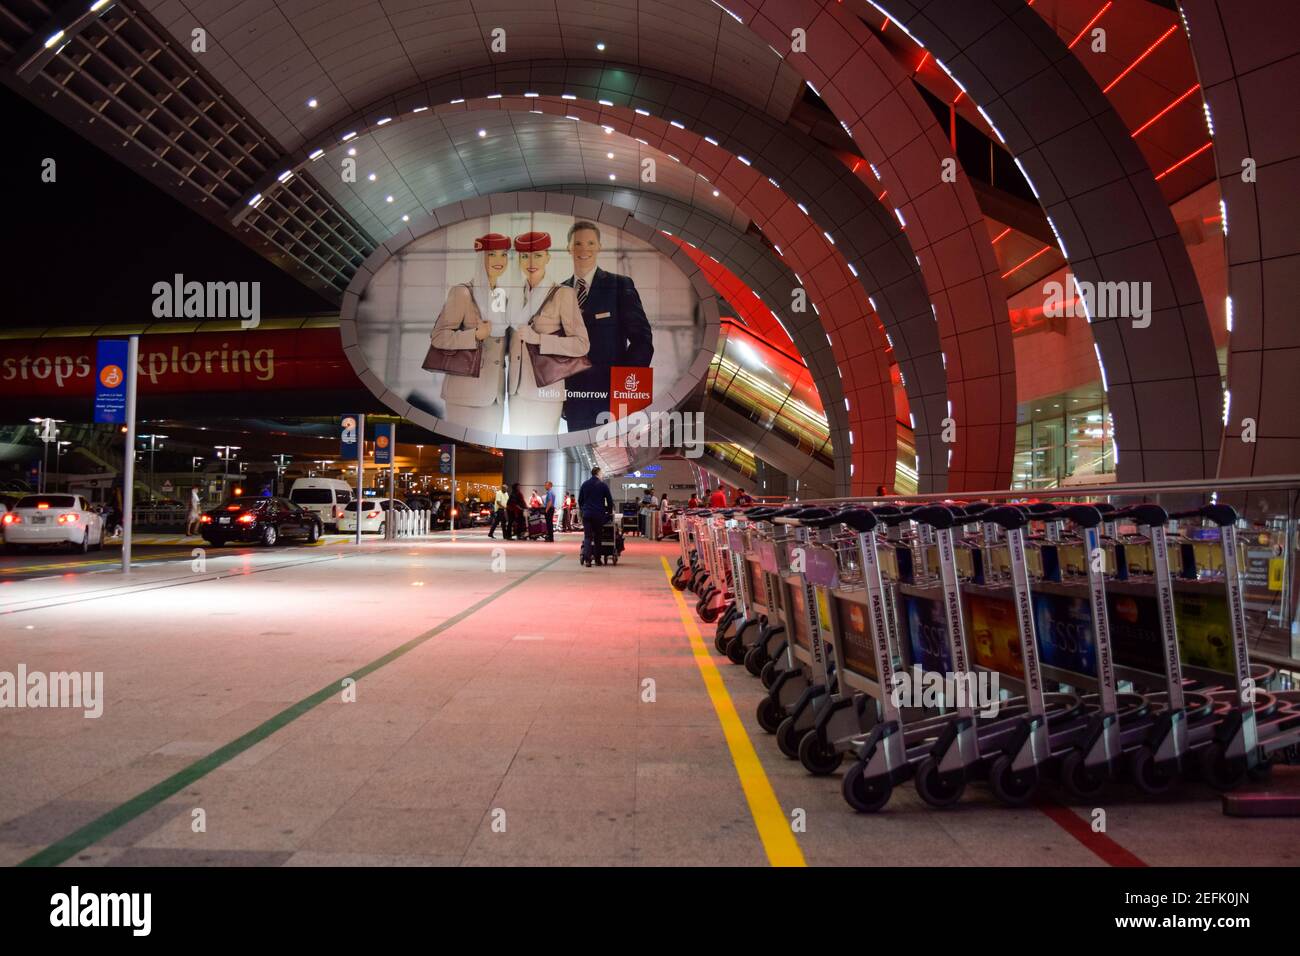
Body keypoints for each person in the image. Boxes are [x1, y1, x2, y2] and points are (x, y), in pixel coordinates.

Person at [560, 221, 654, 432]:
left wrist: (624, 389)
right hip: (574, 402)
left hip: (611, 401)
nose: (584, 249)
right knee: (585, 462)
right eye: (578, 243)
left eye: (590, 243)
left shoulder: (619, 285)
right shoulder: (559, 291)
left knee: (615, 459)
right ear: (569, 248)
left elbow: (642, 340)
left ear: (599, 246)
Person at [505, 231, 589, 434]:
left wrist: (540, 339)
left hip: (546, 390)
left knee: (541, 451)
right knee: (518, 449)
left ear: (548, 258)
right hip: (516, 391)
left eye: (538, 255)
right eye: (525, 256)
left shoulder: (563, 294)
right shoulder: (513, 296)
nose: (530, 261)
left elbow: (581, 344)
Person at [431, 233, 511, 433]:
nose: (499, 260)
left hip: (495, 396)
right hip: (465, 394)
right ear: (480, 257)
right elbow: (439, 336)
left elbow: (501, 346)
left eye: (504, 255)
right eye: (492, 254)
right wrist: (474, 335)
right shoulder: (463, 292)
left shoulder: (502, 297)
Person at [578, 465, 614, 567]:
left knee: (588, 537)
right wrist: (609, 511)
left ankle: (588, 560)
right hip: (598, 515)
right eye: (601, 473)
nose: (602, 475)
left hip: (587, 514)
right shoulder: (603, 485)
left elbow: (580, 500)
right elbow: (610, 501)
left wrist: (583, 510)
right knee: (598, 537)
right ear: (598, 473)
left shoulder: (585, 484)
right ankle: (598, 560)